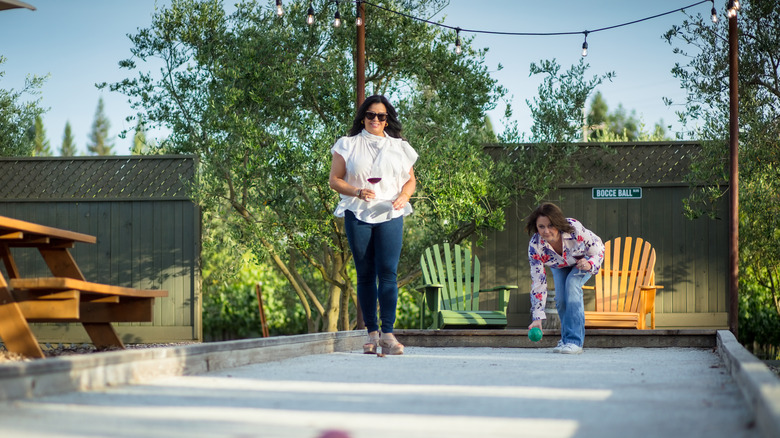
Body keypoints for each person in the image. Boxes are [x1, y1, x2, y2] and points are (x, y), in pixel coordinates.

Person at [328, 95, 418, 356]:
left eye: (381, 116)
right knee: (365, 274)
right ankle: (371, 334)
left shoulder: (400, 146)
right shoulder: (347, 144)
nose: (376, 120)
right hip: (358, 213)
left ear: (387, 119)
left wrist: (404, 196)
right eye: (370, 115)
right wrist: (357, 192)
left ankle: (388, 335)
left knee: (388, 272)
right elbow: (334, 180)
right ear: (363, 117)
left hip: (391, 213)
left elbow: (411, 181)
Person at [525, 203, 604, 354]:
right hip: (559, 265)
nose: (546, 231)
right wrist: (537, 317)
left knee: (572, 284)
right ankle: (566, 340)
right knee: (561, 299)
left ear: (558, 223)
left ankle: (575, 342)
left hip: (584, 260)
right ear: (536, 227)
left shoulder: (574, 229)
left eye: (551, 225)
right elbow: (538, 283)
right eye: (541, 227)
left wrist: (590, 264)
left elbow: (598, 250)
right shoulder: (535, 246)